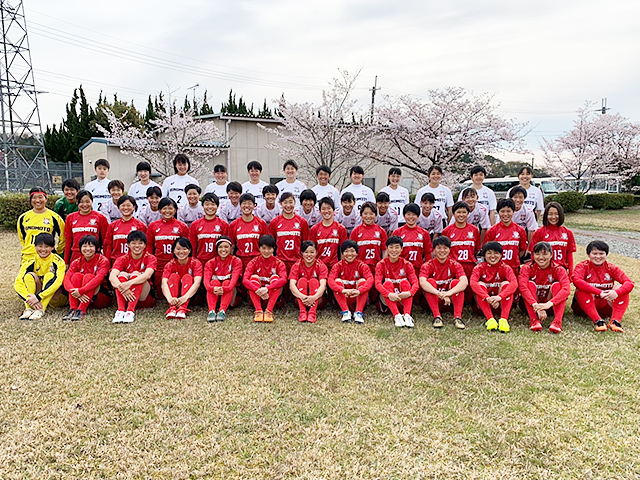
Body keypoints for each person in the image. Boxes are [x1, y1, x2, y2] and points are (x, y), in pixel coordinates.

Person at [571, 241, 634, 333]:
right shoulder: (583, 266)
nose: (598, 256)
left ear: (606, 255)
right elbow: (577, 281)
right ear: (588, 254)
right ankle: (597, 321)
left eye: (601, 253)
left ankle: (615, 321)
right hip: (584, 307)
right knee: (582, 289)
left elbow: (629, 283)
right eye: (594, 253)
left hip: (605, 306)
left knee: (621, 288)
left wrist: (616, 293)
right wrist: (599, 292)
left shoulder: (611, 268)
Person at [519, 241, 571, 333]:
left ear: (551, 255)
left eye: (545, 254)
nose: (541, 257)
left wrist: (548, 304)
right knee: (529, 284)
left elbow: (566, 290)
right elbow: (523, 288)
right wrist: (535, 305)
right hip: (532, 306)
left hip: (551, 306)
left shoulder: (558, 269)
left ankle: (557, 322)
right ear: (533, 255)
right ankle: (534, 320)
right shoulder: (527, 268)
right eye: (537, 254)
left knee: (558, 286)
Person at [419, 236, 468, 329]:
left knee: (456, 282)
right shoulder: (427, 265)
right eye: (439, 248)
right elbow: (422, 282)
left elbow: (464, 282)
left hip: (450, 301)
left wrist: (448, 293)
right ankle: (437, 316)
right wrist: (439, 293)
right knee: (430, 282)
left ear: (449, 250)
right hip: (435, 300)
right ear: (434, 250)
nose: (442, 251)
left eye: (445, 248)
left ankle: (458, 317)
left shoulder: (455, 264)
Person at [14, 233, 66, 321]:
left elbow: (58, 282)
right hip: (36, 297)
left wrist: (39, 297)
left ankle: (40, 310)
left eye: (46, 246)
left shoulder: (58, 261)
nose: (43, 249)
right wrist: (29, 298)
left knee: (49, 275)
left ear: (52, 247)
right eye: (40, 246)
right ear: (35, 247)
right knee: (29, 276)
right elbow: (18, 283)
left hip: (55, 298)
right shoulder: (30, 261)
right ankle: (29, 309)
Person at [109, 230, 157, 323]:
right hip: (124, 296)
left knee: (136, 274)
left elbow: (147, 275)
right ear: (128, 245)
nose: (137, 246)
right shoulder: (122, 259)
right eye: (133, 243)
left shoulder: (150, 258)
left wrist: (129, 283)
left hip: (144, 297)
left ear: (145, 245)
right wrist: (123, 287)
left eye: (140, 243)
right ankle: (121, 311)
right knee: (122, 275)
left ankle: (130, 311)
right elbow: (112, 277)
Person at [470, 242, 518, 333]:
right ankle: (490, 319)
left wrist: (499, 297)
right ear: (484, 255)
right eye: (489, 253)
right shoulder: (479, 268)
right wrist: (487, 298)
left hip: (501, 304)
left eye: (496, 253)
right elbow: (473, 283)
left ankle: (504, 320)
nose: (493, 256)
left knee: (506, 284)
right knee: (479, 284)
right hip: (484, 304)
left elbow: (514, 283)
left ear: (501, 255)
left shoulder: (505, 267)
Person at [62, 234, 111, 321]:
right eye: (84, 246)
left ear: (97, 248)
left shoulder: (103, 260)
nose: (87, 249)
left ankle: (81, 310)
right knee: (76, 276)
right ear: (80, 248)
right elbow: (66, 279)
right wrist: (74, 291)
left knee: (89, 277)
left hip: (99, 296)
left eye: (91, 246)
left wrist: (81, 291)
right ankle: (73, 309)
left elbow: (99, 278)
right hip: (80, 296)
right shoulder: (77, 261)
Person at [147, 197, 190, 296]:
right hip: (159, 263)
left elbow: (187, 247)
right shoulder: (153, 226)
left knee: (176, 289)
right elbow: (149, 246)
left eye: (170, 208)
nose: (167, 211)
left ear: (175, 210)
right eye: (164, 208)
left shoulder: (182, 226)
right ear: (160, 210)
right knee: (160, 293)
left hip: (176, 263)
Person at [375, 236, 419, 328]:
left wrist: (410, 292)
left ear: (401, 249)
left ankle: (407, 315)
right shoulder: (381, 264)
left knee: (405, 283)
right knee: (387, 284)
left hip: (402, 299)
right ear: (386, 249)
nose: (394, 250)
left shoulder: (407, 264)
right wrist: (388, 294)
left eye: (397, 247)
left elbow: (415, 283)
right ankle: (397, 316)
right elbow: (377, 284)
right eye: (391, 247)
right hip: (388, 299)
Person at [243, 235, 287, 323]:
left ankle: (269, 311)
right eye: (263, 248)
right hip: (257, 297)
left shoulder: (279, 263)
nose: (266, 251)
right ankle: (258, 311)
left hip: (273, 299)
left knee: (276, 278)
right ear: (259, 248)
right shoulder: (254, 262)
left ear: (274, 249)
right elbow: (245, 280)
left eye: (269, 248)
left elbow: (284, 279)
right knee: (253, 278)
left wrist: (267, 289)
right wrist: (258, 290)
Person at [328, 240, 374, 324]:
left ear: (357, 253)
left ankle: (358, 313)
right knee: (337, 281)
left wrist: (359, 291)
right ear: (342, 254)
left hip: (357, 297)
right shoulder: (338, 266)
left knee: (363, 281)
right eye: (346, 251)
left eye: (352, 251)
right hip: (343, 297)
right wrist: (342, 290)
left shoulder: (362, 265)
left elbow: (370, 279)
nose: (349, 254)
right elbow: (330, 280)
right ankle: (345, 312)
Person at [18, 187, 66, 263]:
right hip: (28, 257)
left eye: (40, 197)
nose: (37, 200)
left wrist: (57, 251)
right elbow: (22, 238)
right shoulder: (23, 217)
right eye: (34, 198)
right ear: (30, 200)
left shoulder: (54, 217)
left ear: (46, 199)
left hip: (47, 257)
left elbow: (63, 237)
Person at [161, 237, 203, 319]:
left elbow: (197, 283)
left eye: (184, 249)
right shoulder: (170, 264)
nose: (181, 252)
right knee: (173, 276)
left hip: (190, 296)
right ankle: (172, 308)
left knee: (187, 277)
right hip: (174, 296)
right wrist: (169, 298)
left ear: (190, 250)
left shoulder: (195, 263)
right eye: (178, 249)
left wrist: (185, 297)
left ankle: (182, 309)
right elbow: (164, 283)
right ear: (173, 250)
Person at [203, 236, 243, 322]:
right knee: (214, 282)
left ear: (231, 248)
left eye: (226, 247)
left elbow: (233, 282)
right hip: (215, 293)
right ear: (216, 249)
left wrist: (225, 289)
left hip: (231, 292)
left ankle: (222, 311)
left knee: (227, 282)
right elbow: (206, 282)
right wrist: (213, 288)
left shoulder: (236, 261)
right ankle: (211, 311)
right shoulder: (211, 262)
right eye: (220, 247)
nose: (223, 249)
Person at [483, 198, 528, 275]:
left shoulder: (520, 230)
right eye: (502, 211)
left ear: (513, 212)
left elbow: (522, 250)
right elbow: (486, 251)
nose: (505, 214)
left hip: (514, 268)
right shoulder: (492, 230)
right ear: (498, 212)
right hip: (496, 269)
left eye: (508, 211)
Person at [530, 201, 575, 275]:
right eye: (550, 214)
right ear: (546, 216)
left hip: (561, 271)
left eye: (556, 214)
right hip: (544, 271)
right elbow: (533, 254)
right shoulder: (539, 232)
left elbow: (569, 254)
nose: (553, 217)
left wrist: (571, 272)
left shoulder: (567, 232)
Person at [64, 190, 108, 265]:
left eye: (87, 201)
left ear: (92, 202)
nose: (84, 204)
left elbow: (106, 242)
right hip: (76, 256)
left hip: (94, 256)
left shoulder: (100, 218)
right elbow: (68, 241)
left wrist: (106, 261)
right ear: (77, 202)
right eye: (81, 202)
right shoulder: (70, 218)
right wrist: (66, 262)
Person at [289, 241, 328, 323]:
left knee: (313, 281)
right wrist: (302, 296)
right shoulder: (297, 265)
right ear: (302, 253)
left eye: (312, 252)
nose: (309, 255)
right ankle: (302, 312)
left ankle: (312, 313)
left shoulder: (321, 265)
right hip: (300, 300)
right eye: (306, 252)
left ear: (316, 253)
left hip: (317, 300)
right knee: (302, 280)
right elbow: (291, 285)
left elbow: (323, 285)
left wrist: (314, 297)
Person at [442, 201, 480, 282]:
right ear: (454, 214)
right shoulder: (447, 231)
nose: (461, 215)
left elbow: (477, 249)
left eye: (464, 212)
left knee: (470, 291)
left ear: (468, 214)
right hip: (453, 267)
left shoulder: (474, 230)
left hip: (470, 266)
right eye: (458, 212)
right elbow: (444, 250)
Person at [270, 192, 309, 273]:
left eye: (290, 202)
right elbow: (270, 244)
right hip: (280, 261)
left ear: (295, 203)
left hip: (297, 261)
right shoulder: (275, 222)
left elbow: (305, 244)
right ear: (281, 204)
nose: (288, 205)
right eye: (285, 202)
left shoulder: (302, 222)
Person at [229, 193, 269, 268]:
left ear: (254, 206)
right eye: (244, 203)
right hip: (240, 261)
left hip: (258, 261)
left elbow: (266, 245)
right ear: (240, 206)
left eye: (249, 203)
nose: (247, 206)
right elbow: (232, 246)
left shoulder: (261, 223)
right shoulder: (234, 224)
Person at [392, 203, 433, 277]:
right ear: (404, 216)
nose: (411, 217)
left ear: (418, 216)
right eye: (408, 214)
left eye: (414, 215)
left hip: (418, 269)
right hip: (401, 270)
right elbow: (392, 252)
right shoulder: (397, 232)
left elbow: (427, 253)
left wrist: (427, 269)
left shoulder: (424, 233)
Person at [103, 195, 147, 264]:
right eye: (123, 205)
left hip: (134, 264)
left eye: (128, 205)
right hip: (116, 263)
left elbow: (145, 247)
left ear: (134, 207)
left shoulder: (140, 226)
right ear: (119, 207)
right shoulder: (113, 226)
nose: (126, 208)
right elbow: (107, 246)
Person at [190, 193, 230, 264]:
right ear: (202, 206)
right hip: (200, 262)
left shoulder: (224, 224)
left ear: (217, 206)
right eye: (207, 204)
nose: (210, 207)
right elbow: (192, 247)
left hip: (218, 263)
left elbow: (227, 247)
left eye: (213, 204)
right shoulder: (195, 225)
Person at [309, 197, 348, 270]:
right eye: (323, 209)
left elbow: (344, 251)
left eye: (329, 208)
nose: (326, 211)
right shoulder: (314, 229)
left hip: (334, 267)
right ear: (320, 211)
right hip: (319, 267)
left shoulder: (340, 228)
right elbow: (310, 250)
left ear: (333, 210)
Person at [350, 202, 388, 275]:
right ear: (361, 215)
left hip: (376, 268)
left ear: (375, 215)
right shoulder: (356, 231)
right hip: (360, 268)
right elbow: (351, 251)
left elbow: (384, 250)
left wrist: (382, 266)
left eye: (371, 214)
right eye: (365, 213)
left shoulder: (381, 231)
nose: (368, 216)